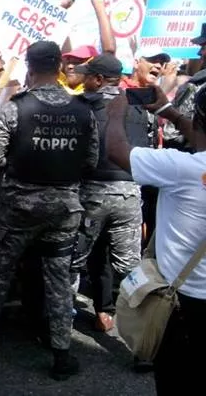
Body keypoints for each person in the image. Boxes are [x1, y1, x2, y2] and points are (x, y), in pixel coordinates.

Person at [0, 41, 98, 380]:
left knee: (0, 271)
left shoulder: (17, 107)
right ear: (59, 66)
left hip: (19, 209)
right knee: (58, 280)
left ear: (29, 66)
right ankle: (61, 354)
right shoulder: (82, 109)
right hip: (64, 208)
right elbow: (90, 160)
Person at [104, 83, 205, 395]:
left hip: (185, 304)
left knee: (177, 380)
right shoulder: (192, 167)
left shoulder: (183, 168)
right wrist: (168, 112)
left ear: (199, 121)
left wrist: (117, 108)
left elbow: (117, 150)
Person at [69, 55, 144, 332]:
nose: (83, 80)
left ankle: (62, 332)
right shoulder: (138, 105)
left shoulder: (81, 105)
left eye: (88, 76)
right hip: (130, 194)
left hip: (92, 193)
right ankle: (144, 342)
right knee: (130, 270)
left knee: (72, 264)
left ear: (99, 80)